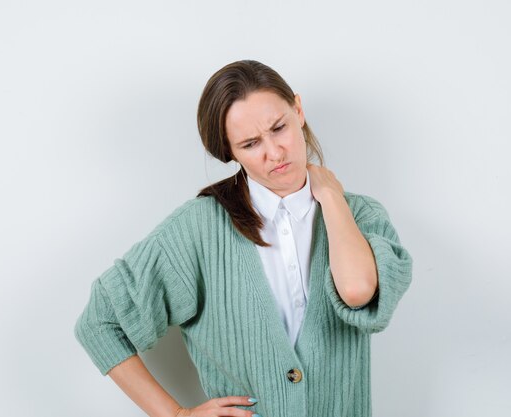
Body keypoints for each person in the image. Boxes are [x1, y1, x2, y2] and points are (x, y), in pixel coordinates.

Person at [74, 60, 413, 417]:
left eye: (279, 128)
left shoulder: (360, 216)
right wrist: (176, 414)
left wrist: (330, 197)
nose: (275, 152)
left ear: (298, 110)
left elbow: (358, 293)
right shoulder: (199, 229)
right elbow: (100, 323)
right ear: (230, 152)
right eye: (251, 144)